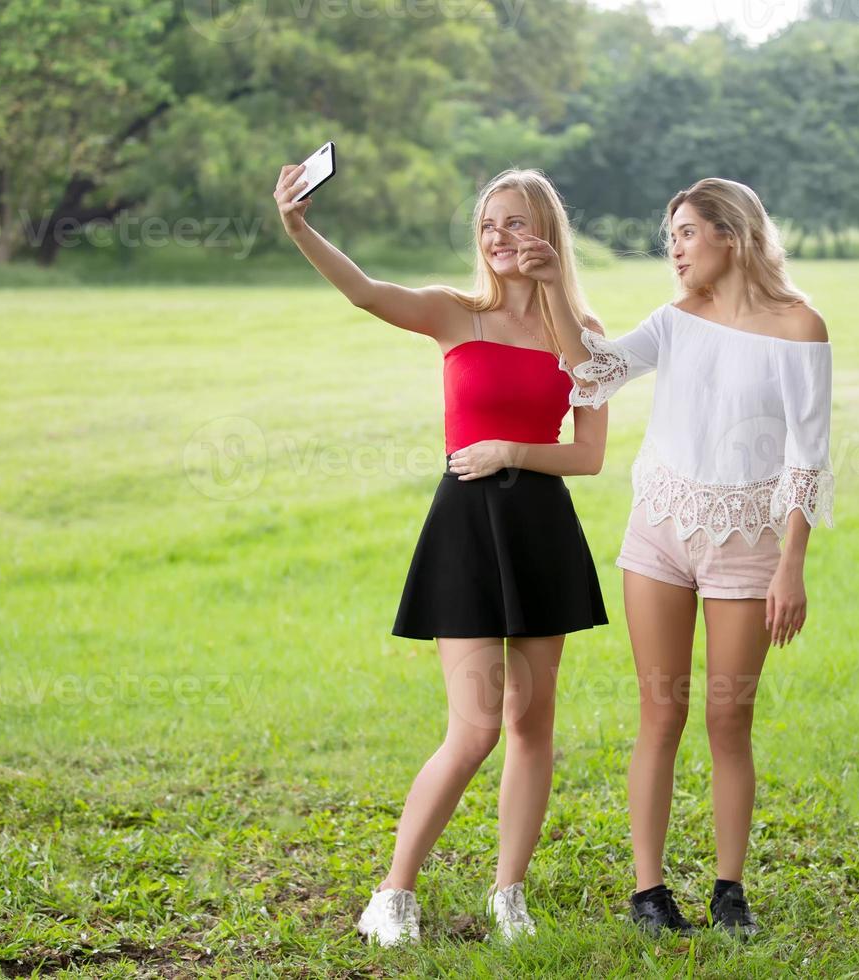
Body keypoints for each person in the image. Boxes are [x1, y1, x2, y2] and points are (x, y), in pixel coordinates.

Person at [272, 164, 609, 946]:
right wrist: (297, 226)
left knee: (533, 724)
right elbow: (363, 290)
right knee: (476, 726)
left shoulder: (583, 335)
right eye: (489, 223)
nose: (499, 236)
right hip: (464, 529)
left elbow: (587, 455)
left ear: (547, 234)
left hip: (539, 530)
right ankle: (392, 894)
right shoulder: (454, 313)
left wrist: (510, 451)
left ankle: (508, 894)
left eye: (517, 222)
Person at [511, 177, 834, 939]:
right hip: (659, 530)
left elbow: (807, 458)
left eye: (686, 234)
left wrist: (791, 565)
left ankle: (729, 891)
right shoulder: (674, 320)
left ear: (732, 234)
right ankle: (648, 893)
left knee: (729, 715)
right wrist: (555, 286)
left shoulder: (799, 326)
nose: (675, 251)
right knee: (660, 709)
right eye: (670, 239)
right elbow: (593, 370)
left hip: (748, 544)